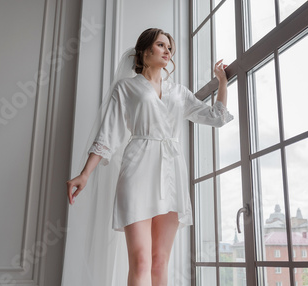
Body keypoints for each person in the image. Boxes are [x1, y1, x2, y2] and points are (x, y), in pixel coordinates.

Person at [65, 28, 233, 286]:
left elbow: (217, 118)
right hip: (138, 169)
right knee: (141, 260)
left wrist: (222, 82)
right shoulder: (126, 87)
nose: (167, 51)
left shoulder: (179, 91)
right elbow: (107, 134)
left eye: (170, 48)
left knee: (159, 260)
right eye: (161, 45)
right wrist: (85, 173)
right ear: (144, 51)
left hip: (171, 172)